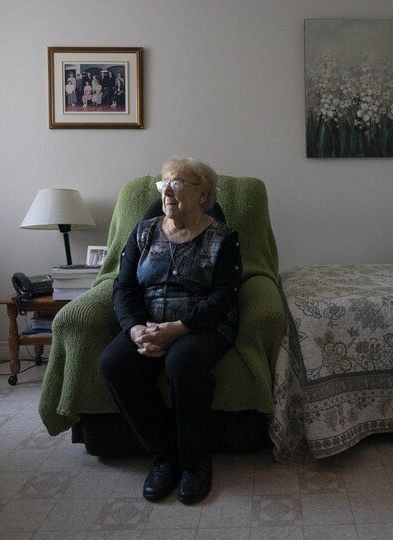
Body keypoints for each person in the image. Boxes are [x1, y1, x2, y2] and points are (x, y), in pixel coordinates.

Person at [99, 156, 242, 505]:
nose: (167, 192)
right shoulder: (142, 232)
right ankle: (165, 457)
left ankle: (195, 463)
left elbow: (225, 297)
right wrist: (134, 330)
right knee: (114, 362)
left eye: (178, 184)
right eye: (165, 184)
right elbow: (124, 288)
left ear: (203, 195)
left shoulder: (223, 238)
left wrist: (177, 329)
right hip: (148, 322)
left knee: (182, 362)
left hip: (201, 325)